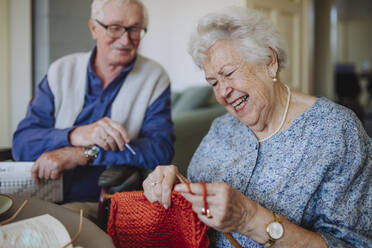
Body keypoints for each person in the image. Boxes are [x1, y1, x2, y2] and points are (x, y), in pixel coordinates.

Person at [143, 7, 372, 248]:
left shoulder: (336, 131)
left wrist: (249, 219)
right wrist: (176, 188)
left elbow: (354, 244)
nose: (222, 93)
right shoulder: (221, 129)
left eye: (229, 73)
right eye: (213, 82)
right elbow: (199, 213)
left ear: (269, 61)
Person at [12, 0, 174, 205]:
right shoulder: (61, 71)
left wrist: (83, 154)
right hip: (40, 194)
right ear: (93, 28)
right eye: (114, 28)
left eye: (134, 29)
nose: (125, 40)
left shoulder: (154, 78)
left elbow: (160, 150)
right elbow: (22, 143)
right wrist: (75, 135)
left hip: (101, 202)